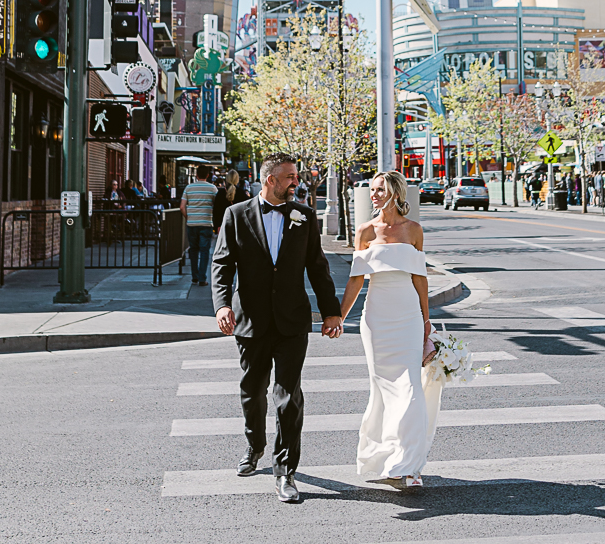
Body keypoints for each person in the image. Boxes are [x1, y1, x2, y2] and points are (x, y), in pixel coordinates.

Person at [211, 153, 343, 504]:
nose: (294, 182)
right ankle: (254, 445)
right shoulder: (235, 215)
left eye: (295, 176)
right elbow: (221, 264)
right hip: (250, 321)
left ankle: (285, 470)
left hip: (292, 320)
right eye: (289, 177)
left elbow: (318, 267)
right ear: (270, 180)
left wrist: (332, 312)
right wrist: (222, 305)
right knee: (252, 392)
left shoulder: (305, 216)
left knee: (288, 398)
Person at [340, 171, 439, 488]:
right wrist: (339, 318)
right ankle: (386, 458)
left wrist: (426, 321)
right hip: (377, 317)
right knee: (383, 389)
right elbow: (356, 279)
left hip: (408, 315)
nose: (374, 194)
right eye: (372, 190)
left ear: (396, 192)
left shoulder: (414, 230)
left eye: (379, 189)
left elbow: (420, 278)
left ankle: (408, 465)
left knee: (409, 388)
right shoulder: (365, 231)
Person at [181, 164, 218, 286]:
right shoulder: (213, 189)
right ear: (208, 175)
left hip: (192, 224)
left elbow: (182, 207)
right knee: (204, 251)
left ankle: (194, 276)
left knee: (193, 250)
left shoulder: (188, 188)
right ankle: (202, 278)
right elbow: (216, 205)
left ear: (196, 175)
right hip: (206, 223)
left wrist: (189, 217)